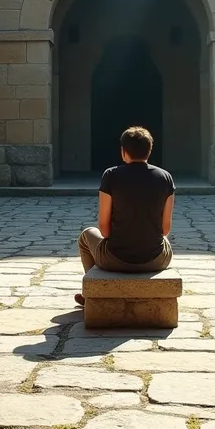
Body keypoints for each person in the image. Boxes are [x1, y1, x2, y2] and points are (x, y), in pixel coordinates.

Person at [75, 126, 175, 307]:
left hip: (115, 258)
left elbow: (104, 230)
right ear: (149, 150)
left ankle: (91, 293)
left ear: (123, 152)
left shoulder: (111, 175)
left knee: (86, 235)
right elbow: (165, 229)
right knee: (165, 241)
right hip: (155, 260)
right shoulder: (165, 177)